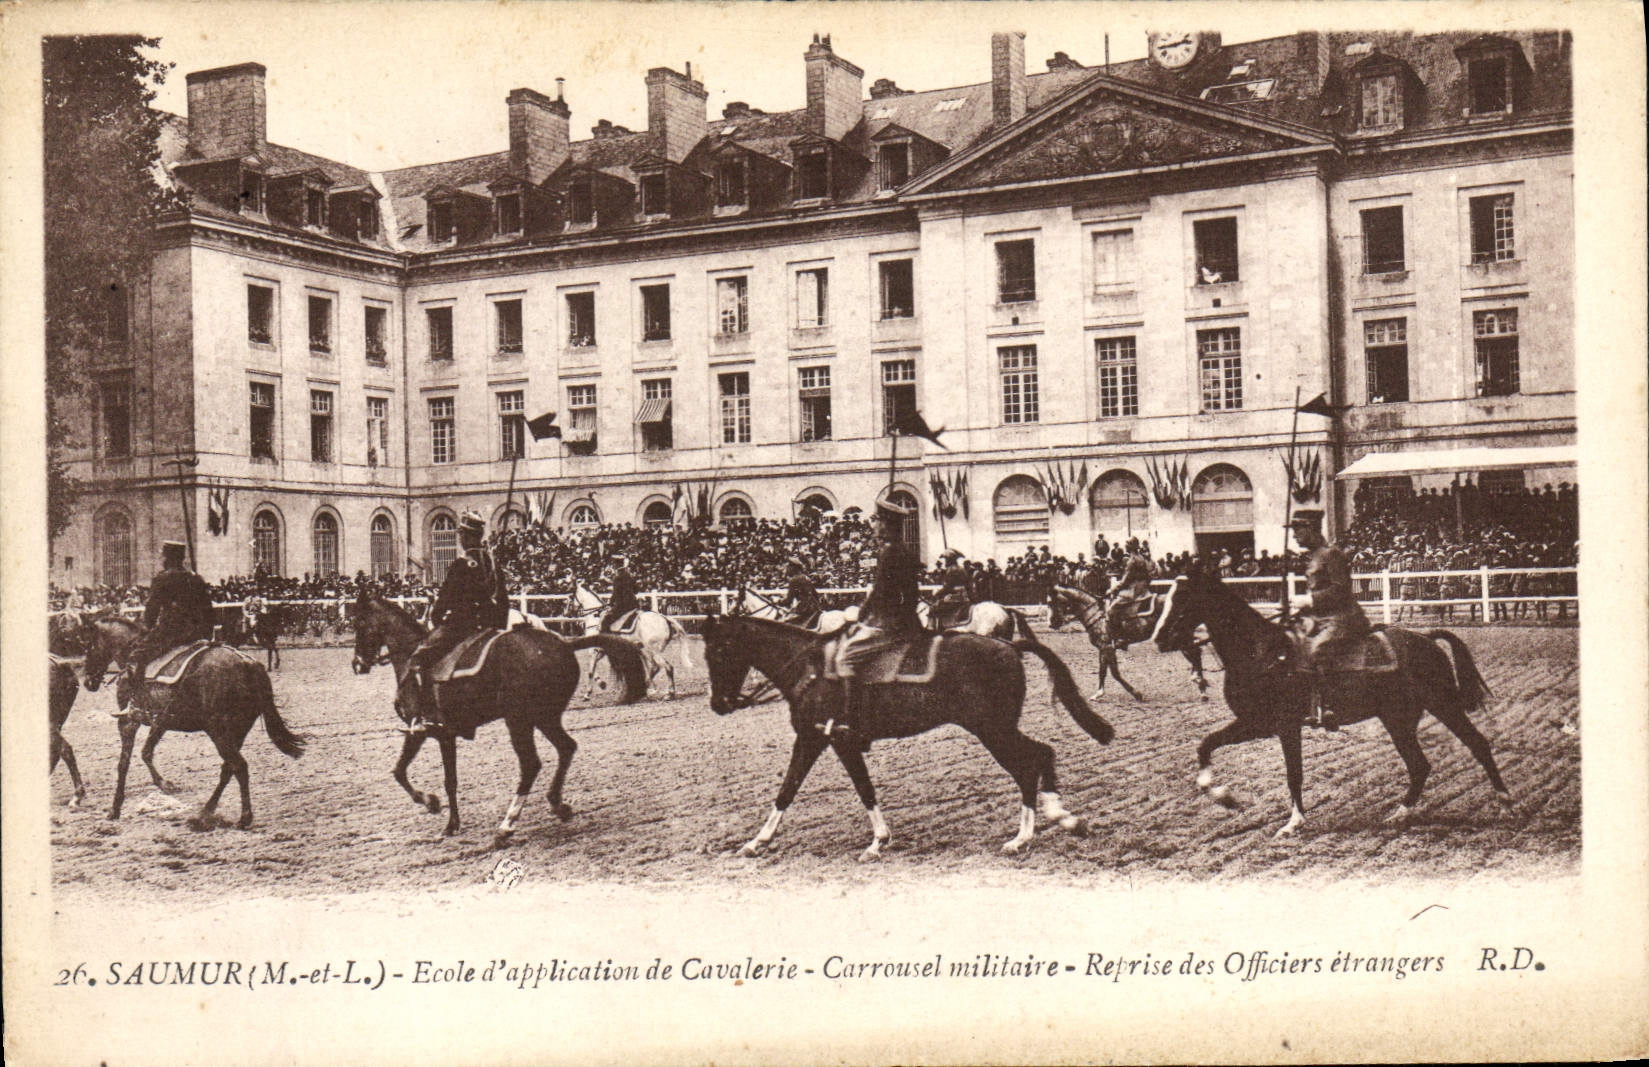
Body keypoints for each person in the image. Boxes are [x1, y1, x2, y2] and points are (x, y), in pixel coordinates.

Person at [402, 511, 509, 732]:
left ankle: (427, 715)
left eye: (461, 534)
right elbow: (503, 601)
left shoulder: (461, 565)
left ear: (466, 537)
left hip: (462, 627)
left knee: (420, 656)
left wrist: (438, 619)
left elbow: (444, 602)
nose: (460, 538)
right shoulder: (492, 563)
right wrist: (497, 626)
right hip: (490, 627)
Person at [832, 499, 922, 737]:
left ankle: (851, 722)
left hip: (889, 625)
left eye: (876, 520)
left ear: (885, 525)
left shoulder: (891, 553)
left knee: (845, 658)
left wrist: (867, 617)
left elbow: (883, 595)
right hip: (898, 621)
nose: (873, 525)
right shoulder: (899, 550)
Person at [1287, 508, 1371, 727]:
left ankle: (1329, 706)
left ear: (1311, 529)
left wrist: (1310, 601)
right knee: (1294, 643)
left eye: (1297, 530)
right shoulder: (1314, 556)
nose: (1294, 535)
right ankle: (1305, 703)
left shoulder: (1332, 554)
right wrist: (1301, 609)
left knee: (1319, 648)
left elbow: (1341, 590)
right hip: (1321, 617)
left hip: (1343, 617)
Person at [116, 541, 216, 716]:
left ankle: (136, 703)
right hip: (197, 633)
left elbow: (151, 612)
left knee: (136, 655)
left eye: (163, 555)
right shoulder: (196, 578)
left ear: (167, 558)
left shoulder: (162, 578)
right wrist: (207, 635)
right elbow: (208, 610)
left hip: (171, 632)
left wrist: (147, 629)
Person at [1104, 548, 1157, 648]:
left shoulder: (1132, 560)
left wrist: (1113, 590)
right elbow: (1148, 576)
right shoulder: (1141, 558)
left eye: (1127, 544)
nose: (1125, 546)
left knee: (1112, 610)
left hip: (1133, 590)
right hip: (1143, 588)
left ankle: (1120, 638)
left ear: (1130, 546)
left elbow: (1125, 580)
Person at [929, 548, 974, 630]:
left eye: (946, 559)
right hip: (964, 596)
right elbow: (968, 584)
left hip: (955, 597)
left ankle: (932, 628)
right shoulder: (962, 569)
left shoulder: (951, 570)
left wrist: (937, 594)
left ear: (950, 560)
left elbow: (948, 587)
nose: (945, 561)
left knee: (934, 606)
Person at [777, 556, 822, 628]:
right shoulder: (806, 577)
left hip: (804, 610)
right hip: (815, 608)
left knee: (784, 625)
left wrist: (778, 601)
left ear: (793, 568)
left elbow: (788, 600)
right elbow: (815, 594)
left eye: (788, 567)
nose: (787, 570)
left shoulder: (794, 580)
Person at [601, 555, 639, 632]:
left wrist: (610, 604)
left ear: (616, 565)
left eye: (614, 564)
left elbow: (615, 594)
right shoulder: (629, 575)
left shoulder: (618, 578)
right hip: (634, 604)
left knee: (605, 621)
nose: (613, 565)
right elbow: (636, 590)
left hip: (622, 606)